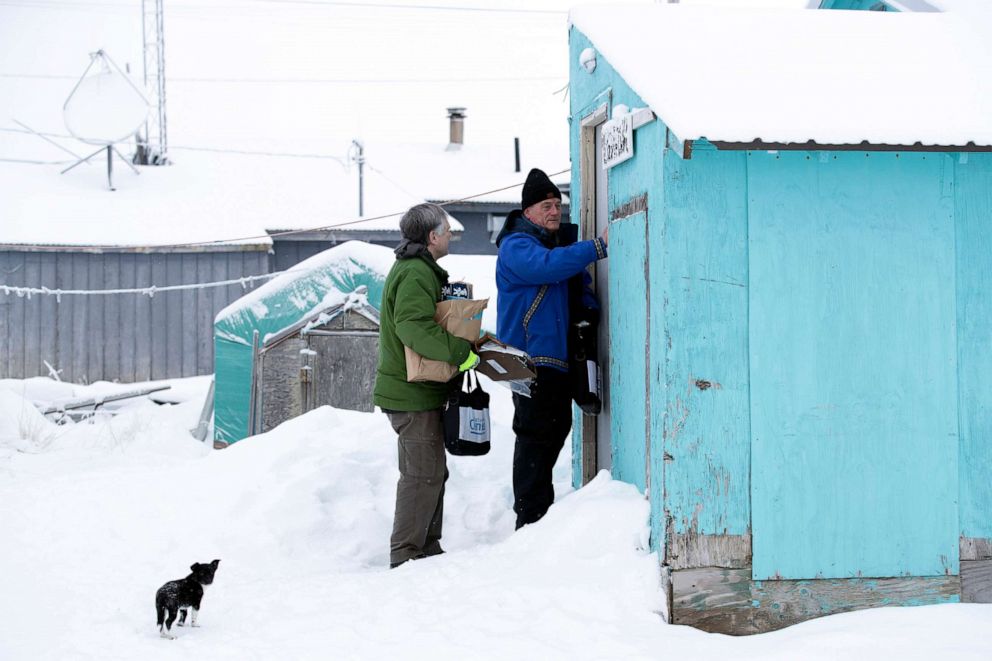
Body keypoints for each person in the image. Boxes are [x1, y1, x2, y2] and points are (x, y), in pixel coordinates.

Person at [495, 168, 608, 529]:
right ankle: (529, 517)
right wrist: (597, 247)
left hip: (555, 361)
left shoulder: (554, 247)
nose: (554, 211)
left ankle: (536, 514)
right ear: (527, 211)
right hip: (527, 361)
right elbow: (546, 268)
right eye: (546, 205)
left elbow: (578, 287)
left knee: (554, 431)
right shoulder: (517, 246)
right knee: (534, 437)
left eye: (558, 204)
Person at [373, 203, 480, 568]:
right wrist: (457, 353)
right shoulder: (416, 273)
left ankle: (427, 548)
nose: (451, 235)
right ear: (433, 236)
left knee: (432, 471)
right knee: (421, 474)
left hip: (420, 392)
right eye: (447, 230)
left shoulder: (420, 270)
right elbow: (413, 326)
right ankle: (406, 555)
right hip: (411, 395)